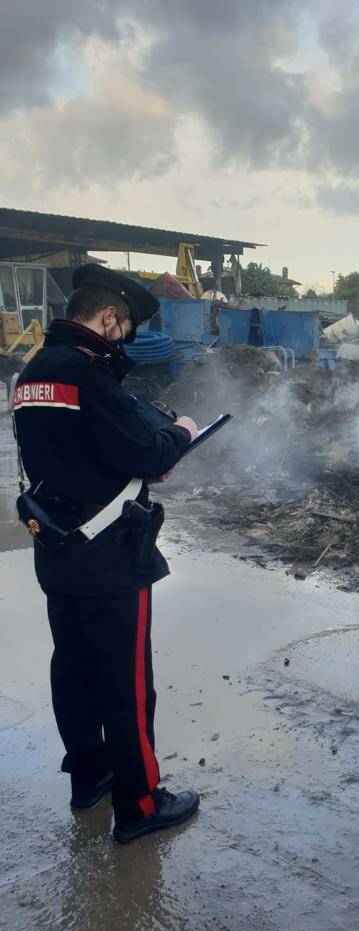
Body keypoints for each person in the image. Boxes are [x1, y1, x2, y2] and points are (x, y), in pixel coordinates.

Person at [12, 264, 200, 843]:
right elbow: (146, 454)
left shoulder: (30, 374)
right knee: (126, 682)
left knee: (72, 669)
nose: (125, 339)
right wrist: (184, 432)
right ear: (108, 317)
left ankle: (88, 777)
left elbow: (69, 454)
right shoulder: (89, 377)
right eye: (125, 327)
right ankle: (141, 805)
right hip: (111, 558)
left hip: (58, 552)